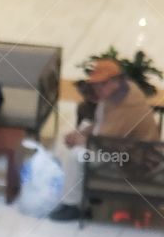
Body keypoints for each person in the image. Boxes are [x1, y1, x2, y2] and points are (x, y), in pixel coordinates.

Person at [50, 57, 159, 221]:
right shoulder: (120, 92)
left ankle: (73, 206)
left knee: (75, 155)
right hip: (122, 150)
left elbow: (104, 142)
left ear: (116, 81)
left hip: (132, 162)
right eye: (96, 84)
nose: (97, 88)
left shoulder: (127, 105)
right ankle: (79, 192)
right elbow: (101, 124)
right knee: (67, 140)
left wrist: (79, 139)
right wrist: (82, 133)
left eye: (102, 84)